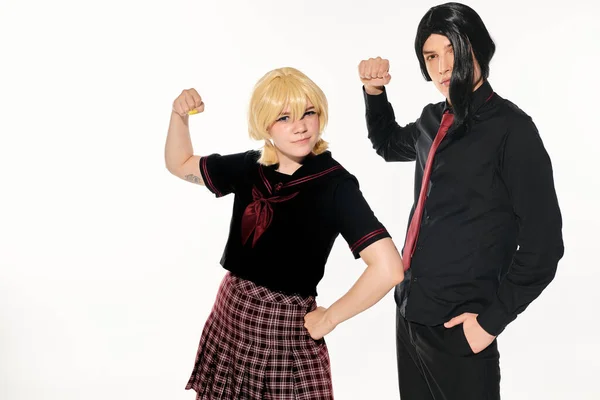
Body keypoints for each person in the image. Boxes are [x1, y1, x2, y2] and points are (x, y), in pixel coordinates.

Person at [358, 2, 564, 399]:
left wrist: (488, 324)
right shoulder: (431, 120)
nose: (442, 67)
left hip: (462, 331)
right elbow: (386, 144)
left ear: (478, 48)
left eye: (453, 50)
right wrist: (374, 91)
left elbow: (544, 247)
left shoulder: (513, 130)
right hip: (410, 316)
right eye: (431, 56)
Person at [164, 66, 405, 399]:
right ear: (265, 125)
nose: (301, 126)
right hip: (231, 311)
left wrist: (331, 317)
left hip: (284, 327)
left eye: (309, 112)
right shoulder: (251, 166)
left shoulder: (336, 186)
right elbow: (180, 164)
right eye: (284, 117)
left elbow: (389, 268)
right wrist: (180, 116)